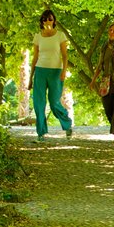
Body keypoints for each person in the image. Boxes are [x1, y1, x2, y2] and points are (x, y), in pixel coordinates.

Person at [28, 9, 74, 142]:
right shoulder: (38, 36)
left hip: (56, 72)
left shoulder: (60, 35)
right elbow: (35, 58)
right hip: (40, 71)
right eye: (45, 19)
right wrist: (30, 78)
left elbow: (65, 56)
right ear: (41, 21)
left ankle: (67, 124)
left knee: (54, 103)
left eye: (50, 19)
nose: (47, 21)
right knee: (38, 103)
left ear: (54, 21)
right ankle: (41, 133)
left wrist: (64, 71)